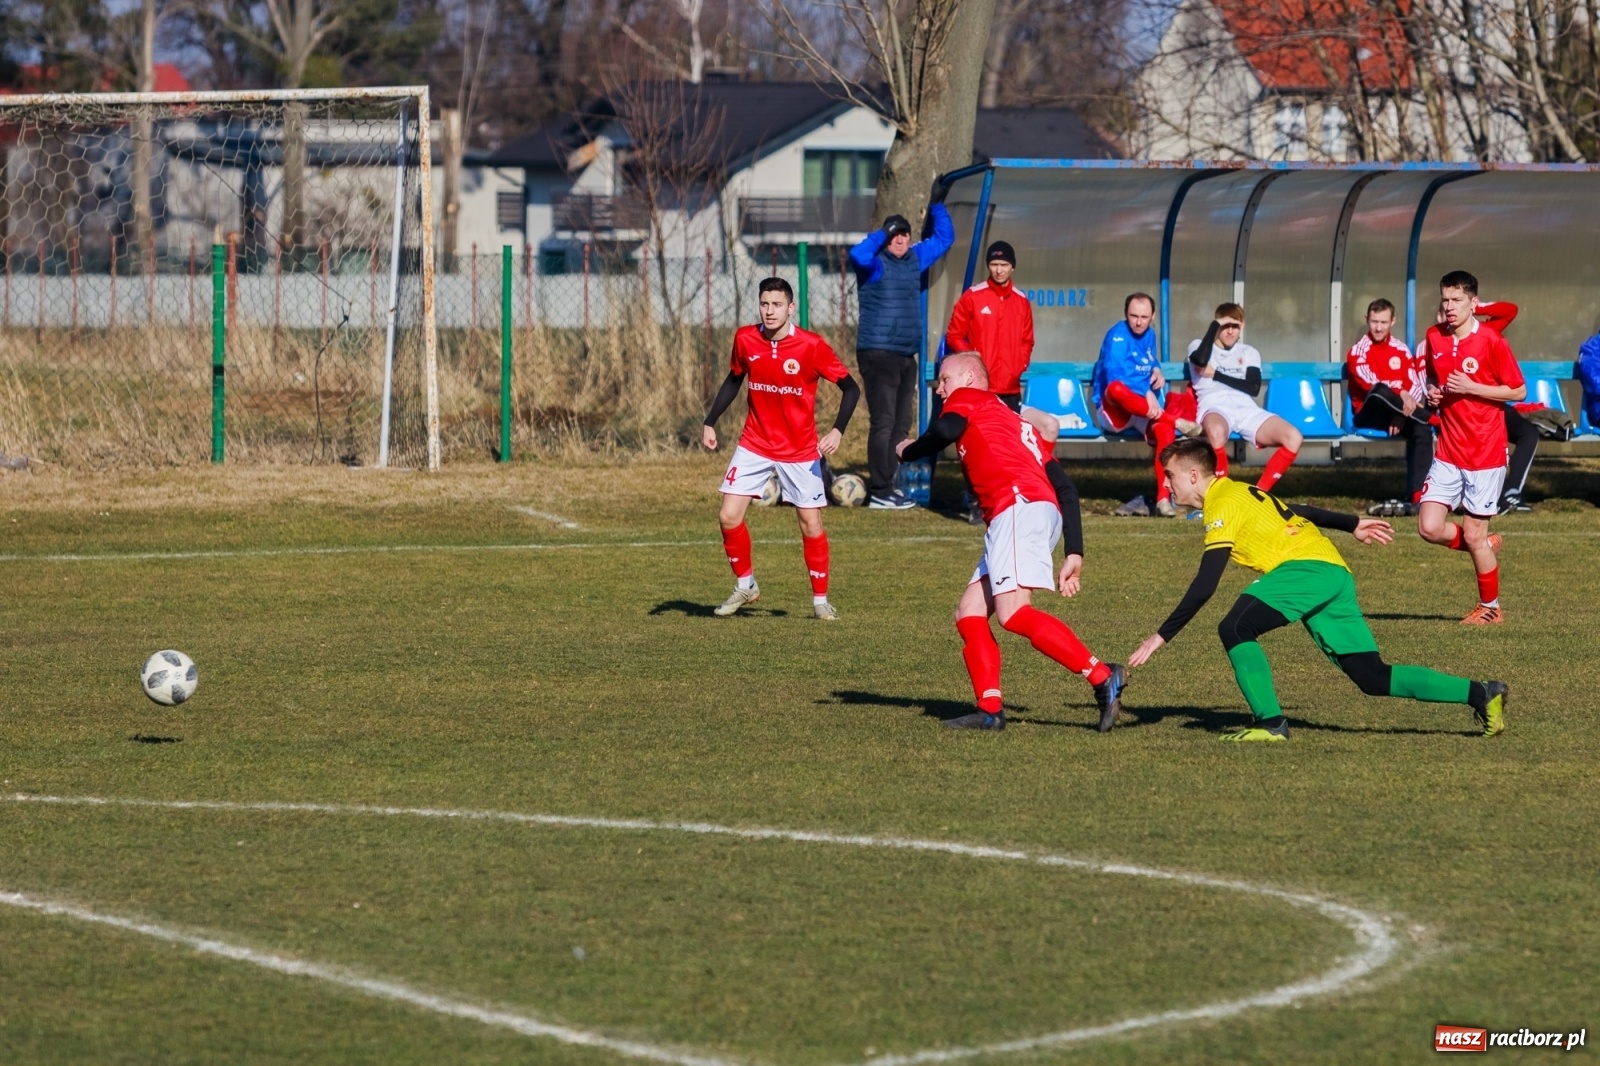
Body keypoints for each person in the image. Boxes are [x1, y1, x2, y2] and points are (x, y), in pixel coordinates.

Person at [1128, 438, 1509, 741]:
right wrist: (1351, 523)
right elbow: (1296, 508)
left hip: (1305, 570)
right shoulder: (1239, 491)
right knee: (1371, 676)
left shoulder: (1221, 504)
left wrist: (1160, 637)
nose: (1165, 483)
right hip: (1332, 571)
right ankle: (1481, 693)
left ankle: (1271, 723)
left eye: (1170, 475)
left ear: (1194, 475)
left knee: (1235, 627)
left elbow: (1205, 584)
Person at [896, 352, 1126, 732]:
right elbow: (1065, 488)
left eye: (944, 380)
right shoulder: (1015, 423)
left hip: (1017, 509)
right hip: (1031, 512)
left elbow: (945, 431)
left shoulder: (967, 400)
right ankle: (989, 709)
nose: (940, 389)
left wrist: (910, 451)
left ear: (969, 377)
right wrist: (1074, 550)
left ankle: (1102, 677)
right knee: (969, 611)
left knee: (1013, 613)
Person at [701, 277, 861, 620]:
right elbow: (734, 378)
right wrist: (710, 420)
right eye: (764, 303)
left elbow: (851, 389)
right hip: (754, 442)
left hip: (800, 448)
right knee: (728, 516)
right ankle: (746, 584)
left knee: (810, 523)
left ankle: (820, 602)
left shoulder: (811, 346)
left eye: (776, 304)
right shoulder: (746, 338)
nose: (769, 311)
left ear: (791, 308)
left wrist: (837, 431)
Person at [1416, 271, 1525, 625]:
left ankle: (1490, 608)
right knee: (1429, 528)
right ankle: (1482, 545)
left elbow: (1518, 392)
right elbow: (1439, 380)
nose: (1449, 307)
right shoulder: (1435, 336)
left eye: (1457, 300)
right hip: (1449, 449)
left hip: (1485, 453)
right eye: (1445, 300)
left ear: (1474, 304)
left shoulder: (1492, 341)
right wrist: (1435, 391)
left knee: (1474, 534)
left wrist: (1473, 387)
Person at [849, 188, 956, 509]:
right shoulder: (874, 264)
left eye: (904, 235)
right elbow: (857, 254)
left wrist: (937, 204)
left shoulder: (915, 259)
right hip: (877, 352)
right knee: (883, 422)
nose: (900, 240)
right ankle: (880, 489)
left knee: (901, 423)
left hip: (905, 354)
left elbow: (944, 239)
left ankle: (891, 485)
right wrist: (883, 232)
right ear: (886, 239)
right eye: (894, 235)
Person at [943, 239, 1060, 522]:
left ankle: (1025, 491)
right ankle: (975, 499)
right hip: (979, 391)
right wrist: (969, 357)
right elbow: (954, 334)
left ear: (1012, 267)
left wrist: (1018, 366)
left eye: (1004, 264)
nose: (998, 270)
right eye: (994, 264)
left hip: (1008, 389)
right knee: (977, 443)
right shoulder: (973, 296)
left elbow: (1026, 340)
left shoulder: (1021, 301)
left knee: (1013, 443)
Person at [1186, 303, 1303, 492]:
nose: (1230, 332)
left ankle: (1259, 494)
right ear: (1217, 325)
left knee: (1294, 436)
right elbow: (1199, 360)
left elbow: (1253, 387)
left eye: (1236, 326)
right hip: (1215, 407)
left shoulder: (1248, 352)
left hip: (1247, 409)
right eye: (1225, 326)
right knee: (1215, 432)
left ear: (1243, 326)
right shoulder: (1199, 345)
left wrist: (1215, 374)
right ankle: (1220, 496)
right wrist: (1214, 326)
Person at [1092, 292, 1186, 517]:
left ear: (1153, 316)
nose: (1138, 321)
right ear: (1126, 314)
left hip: (1144, 410)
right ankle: (1176, 420)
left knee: (1165, 430)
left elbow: (1148, 359)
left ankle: (1163, 500)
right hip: (1115, 411)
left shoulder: (1150, 334)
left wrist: (1156, 368)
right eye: (1133, 316)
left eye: (1144, 317)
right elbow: (1117, 378)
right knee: (1116, 389)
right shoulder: (1116, 336)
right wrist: (1146, 391)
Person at [1348, 298, 1432, 517]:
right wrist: (1401, 395)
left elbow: (1414, 385)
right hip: (1369, 414)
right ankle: (1434, 420)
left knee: (1422, 431)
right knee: (1379, 391)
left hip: (1400, 416)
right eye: (1374, 321)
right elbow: (1371, 385)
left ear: (1392, 321)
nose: (1378, 327)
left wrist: (1401, 416)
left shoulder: (1401, 350)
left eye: (1383, 322)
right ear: (1367, 320)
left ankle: (1417, 498)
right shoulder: (1358, 351)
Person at [1472, 300, 1539, 515]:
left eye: (1458, 302)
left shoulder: (1483, 332)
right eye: (1446, 305)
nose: (1451, 312)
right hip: (1459, 410)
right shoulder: (1435, 339)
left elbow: (1511, 310)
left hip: (1490, 403)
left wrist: (1478, 307)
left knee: (1528, 433)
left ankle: (1509, 494)